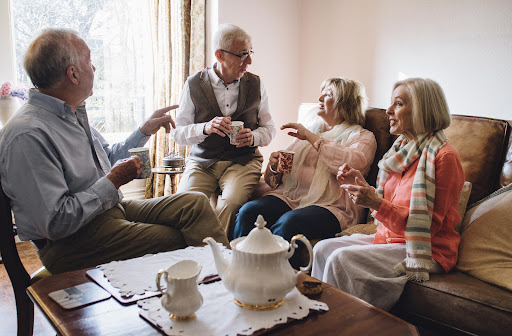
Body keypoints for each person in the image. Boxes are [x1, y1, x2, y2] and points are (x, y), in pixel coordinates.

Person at [0, 28, 228, 274]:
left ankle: (227, 279)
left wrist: (143, 131)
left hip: (109, 212)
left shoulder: (71, 113)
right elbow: (56, 223)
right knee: (175, 239)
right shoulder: (28, 135)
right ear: (73, 74)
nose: (95, 69)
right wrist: (113, 181)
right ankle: (216, 291)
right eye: (89, 61)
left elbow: (105, 159)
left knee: (195, 204)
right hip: (69, 243)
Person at [312, 78, 465, 311]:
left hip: (426, 248)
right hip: (392, 238)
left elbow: (429, 226)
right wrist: (363, 187)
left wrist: (375, 202)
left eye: (399, 104)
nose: (389, 111)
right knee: (322, 249)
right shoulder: (401, 150)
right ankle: (321, 318)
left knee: (341, 259)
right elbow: (388, 204)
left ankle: (343, 325)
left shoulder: (444, 157)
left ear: (423, 110)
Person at [234, 77, 377, 269]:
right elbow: (280, 176)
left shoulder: (362, 137)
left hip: (332, 206)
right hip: (292, 198)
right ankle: (238, 270)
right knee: (248, 211)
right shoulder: (311, 131)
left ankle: (275, 281)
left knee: (289, 223)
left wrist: (312, 138)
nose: (319, 98)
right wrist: (274, 166)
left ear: (345, 102)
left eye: (327, 94)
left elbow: (352, 163)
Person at [172, 24, 276, 237]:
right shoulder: (194, 84)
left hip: (243, 162)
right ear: (220, 55)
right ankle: (192, 256)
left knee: (230, 203)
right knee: (184, 204)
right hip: (202, 162)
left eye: (250, 53)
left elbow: (270, 129)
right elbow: (178, 134)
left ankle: (219, 259)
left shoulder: (256, 84)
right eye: (242, 55)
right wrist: (205, 128)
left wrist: (253, 137)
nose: (249, 61)